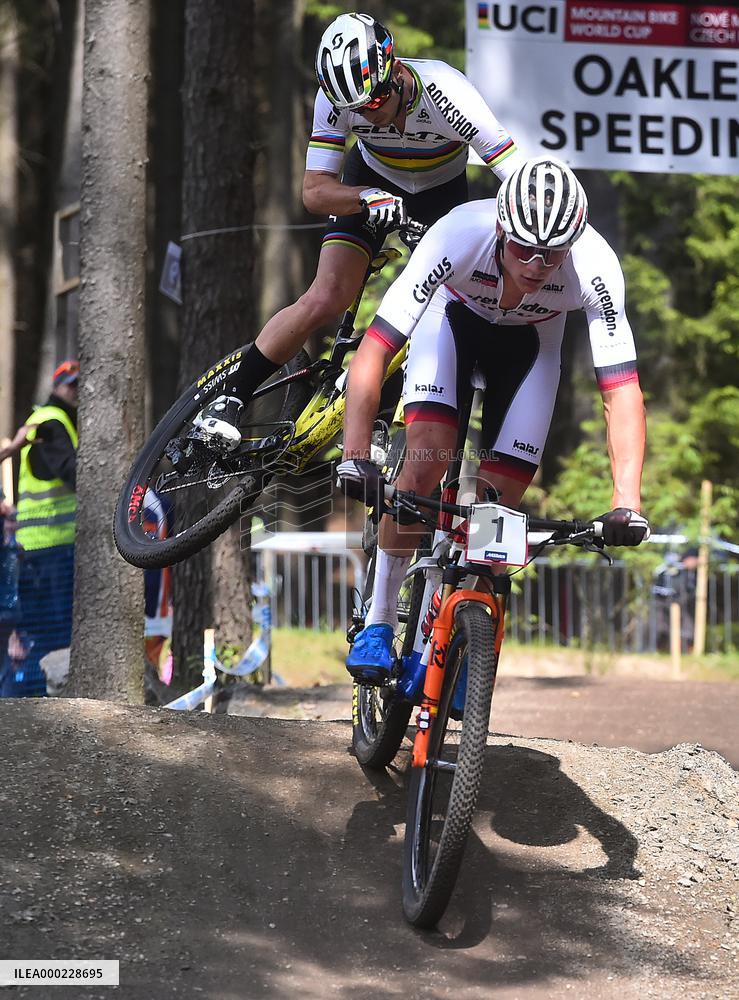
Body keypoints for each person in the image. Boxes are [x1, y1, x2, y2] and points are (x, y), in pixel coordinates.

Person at [337, 156, 650, 681]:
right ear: (502, 229)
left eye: (552, 255)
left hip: (531, 346)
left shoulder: (595, 264)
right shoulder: (459, 234)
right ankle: (380, 619)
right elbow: (375, 347)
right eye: (524, 249)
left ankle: (462, 641)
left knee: (498, 507)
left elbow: (621, 391)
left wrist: (627, 504)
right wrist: (354, 455)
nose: (537, 265)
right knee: (426, 460)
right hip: (451, 320)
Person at [191, 11, 523, 449]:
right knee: (327, 295)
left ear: (396, 72)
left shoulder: (447, 93)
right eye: (356, 109)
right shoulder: (335, 99)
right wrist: (364, 197)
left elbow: (516, 176)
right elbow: (314, 191)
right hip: (370, 180)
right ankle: (230, 398)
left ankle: (384, 410)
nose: (368, 114)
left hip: (441, 191)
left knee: (435, 306)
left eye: (374, 101)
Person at [6, 360, 79, 696]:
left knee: (40, 636)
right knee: (51, 637)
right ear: (57, 386)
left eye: (80, 384)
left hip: (42, 551)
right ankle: (30, 703)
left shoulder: (53, 420)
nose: (76, 391)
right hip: (49, 552)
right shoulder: (51, 422)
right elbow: (73, 472)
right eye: (71, 384)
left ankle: (28, 701)